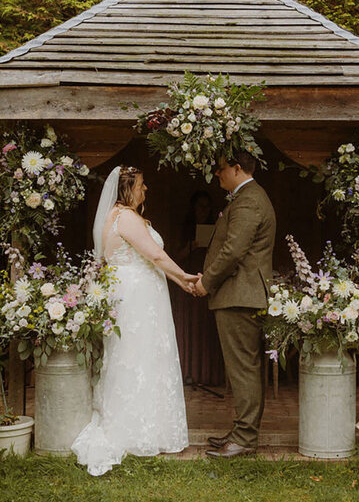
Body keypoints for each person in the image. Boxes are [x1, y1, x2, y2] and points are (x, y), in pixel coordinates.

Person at [71, 165, 197, 476]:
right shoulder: (125, 216)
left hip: (133, 291)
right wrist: (185, 277)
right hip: (138, 297)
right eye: (141, 185)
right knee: (141, 358)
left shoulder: (117, 216)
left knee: (136, 357)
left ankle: (146, 425)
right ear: (127, 189)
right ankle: (140, 430)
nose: (145, 190)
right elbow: (154, 255)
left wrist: (179, 282)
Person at [193, 151, 276, 459]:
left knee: (244, 369)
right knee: (244, 368)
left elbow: (233, 251)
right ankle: (242, 431)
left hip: (241, 295)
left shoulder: (249, 199)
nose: (218, 174)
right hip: (240, 294)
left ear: (238, 169)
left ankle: (244, 438)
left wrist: (206, 282)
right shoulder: (247, 198)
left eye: (222, 169)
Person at [171, 191, 224, 387]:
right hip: (186, 283)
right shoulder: (183, 229)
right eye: (200, 206)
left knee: (206, 329)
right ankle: (187, 372)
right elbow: (172, 257)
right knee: (187, 327)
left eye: (207, 207)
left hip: (208, 283)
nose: (203, 210)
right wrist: (190, 247)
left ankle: (208, 374)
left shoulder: (216, 229)